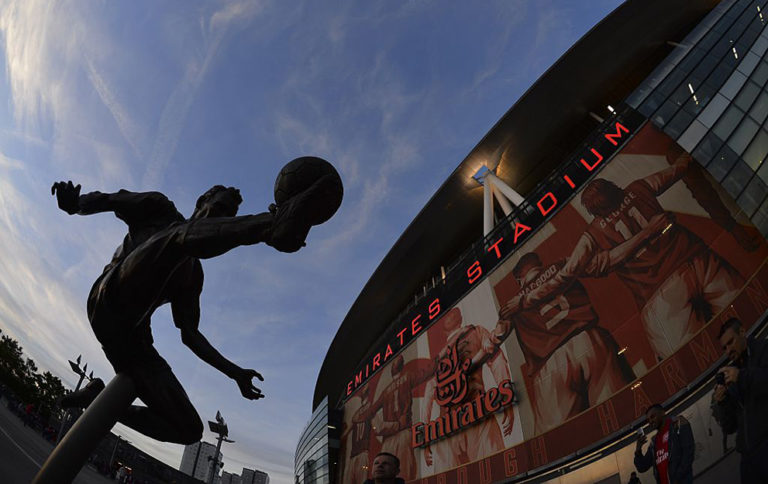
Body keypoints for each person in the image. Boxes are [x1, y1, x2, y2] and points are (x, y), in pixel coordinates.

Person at [51, 175, 332, 444]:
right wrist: (76, 205)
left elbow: (190, 334)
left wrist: (235, 373)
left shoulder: (192, 274)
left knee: (187, 428)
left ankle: (96, 399)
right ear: (200, 202)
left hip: (132, 343)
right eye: (219, 209)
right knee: (179, 239)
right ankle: (270, 226)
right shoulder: (160, 209)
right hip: (107, 299)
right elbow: (110, 200)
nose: (221, 219)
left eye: (228, 217)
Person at [504, 148, 748, 361]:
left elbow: (565, 276)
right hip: (698, 260)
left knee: (694, 359)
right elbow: (676, 170)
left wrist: (525, 300)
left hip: (658, 294)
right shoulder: (639, 188)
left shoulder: (591, 236)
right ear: (614, 189)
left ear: (592, 210)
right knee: (746, 320)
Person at [491, 251, 634, 433]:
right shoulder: (561, 266)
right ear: (540, 264)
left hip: (551, 364)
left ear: (519, 279)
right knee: (622, 413)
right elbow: (599, 263)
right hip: (590, 339)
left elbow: (498, 335)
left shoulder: (513, 302)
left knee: (563, 439)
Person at [422, 307, 515, 472]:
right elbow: (429, 392)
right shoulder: (438, 358)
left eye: (453, 312)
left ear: (460, 317)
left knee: (496, 471)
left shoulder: (476, 331)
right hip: (448, 423)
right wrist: (425, 437)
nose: (449, 314)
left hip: (476, 410)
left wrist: (506, 394)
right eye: (447, 313)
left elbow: (496, 359)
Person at [712, 317, 768, 483]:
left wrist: (741, 377)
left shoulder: (763, 349)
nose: (728, 350)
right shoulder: (733, 372)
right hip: (748, 456)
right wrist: (721, 403)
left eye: (731, 342)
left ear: (742, 332)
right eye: (724, 348)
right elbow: (730, 427)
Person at [634, 403, 694, 484]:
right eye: (648, 420)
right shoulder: (654, 442)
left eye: (653, 417)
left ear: (662, 413)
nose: (651, 421)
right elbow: (642, 467)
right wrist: (638, 449)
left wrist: (677, 478)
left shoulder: (678, 423)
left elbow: (688, 453)